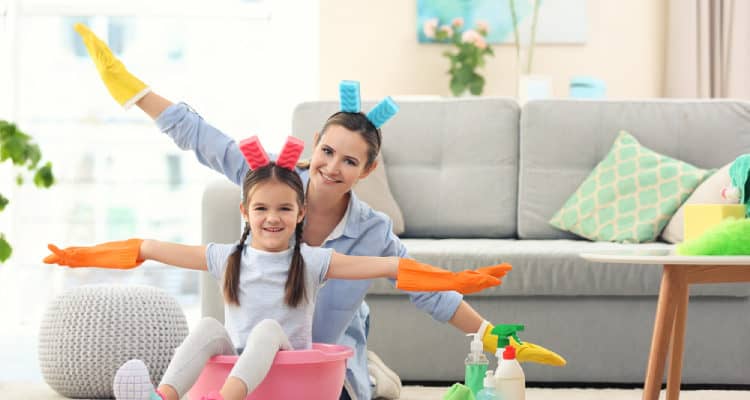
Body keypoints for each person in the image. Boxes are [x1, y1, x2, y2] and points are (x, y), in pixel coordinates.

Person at [73, 23, 565, 400]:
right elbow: (207, 141)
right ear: (314, 145)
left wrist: (492, 335)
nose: (331, 168)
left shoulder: (371, 232)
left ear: (367, 170)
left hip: (317, 362)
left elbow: (421, 286)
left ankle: (369, 371)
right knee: (221, 344)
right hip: (247, 355)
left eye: (350, 161)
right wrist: (135, 92)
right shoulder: (277, 188)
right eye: (327, 152)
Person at [43, 136, 510, 400]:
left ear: (300, 214)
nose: (273, 218)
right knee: (207, 324)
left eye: (285, 209)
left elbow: (392, 266)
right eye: (262, 208)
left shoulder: (312, 260)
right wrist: (79, 256)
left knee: (267, 328)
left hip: (289, 361)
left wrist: (458, 281)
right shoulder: (226, 256)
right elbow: (148, 247)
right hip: (236, 359)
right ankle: (159, 398)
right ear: (245, 212)